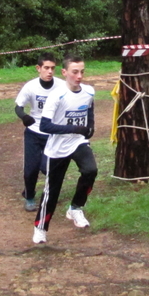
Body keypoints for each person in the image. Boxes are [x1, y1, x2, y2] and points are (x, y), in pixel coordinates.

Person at [33, 55, 97, 244]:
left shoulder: (89, 91)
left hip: (78, 142)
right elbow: (45, 126)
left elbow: (89, 109)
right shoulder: (56, 96)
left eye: (82, 72)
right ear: (65, 73)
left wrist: (89, 129)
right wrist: (73, 128)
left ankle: (76, 208)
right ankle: (40, 228)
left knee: (90, 170)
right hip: (57, 148)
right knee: (52, 191)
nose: (79, 76)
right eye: (75, 72)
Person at [14, 53, 64, 211]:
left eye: (52, 68)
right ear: (38, 68)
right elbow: (18, 106)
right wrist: (24, 117)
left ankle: (50, 194)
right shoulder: (31, 86)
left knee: (48, 167)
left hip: (53, 133)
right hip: (34, 132)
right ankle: (29, 197)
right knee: (31, 168)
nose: (50, 71)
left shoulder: (62, 86)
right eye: (46, 68)